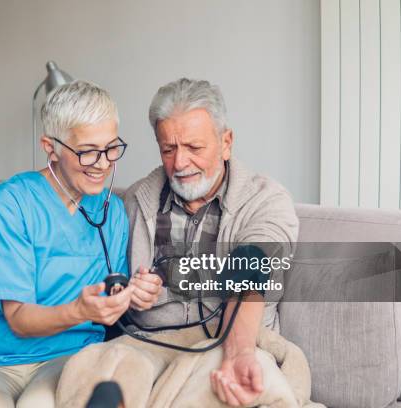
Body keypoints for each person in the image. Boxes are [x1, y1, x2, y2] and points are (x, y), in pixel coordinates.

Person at [59, 78, 299, 407]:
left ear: (226, 142)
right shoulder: (134, 201)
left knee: (243, 387)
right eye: (168, 149)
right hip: (146, 345)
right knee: (96, 372)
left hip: (227, 340)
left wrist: (238, 351)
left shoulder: (264, 200)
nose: (180, 163)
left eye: (194, 148)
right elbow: (101, 285)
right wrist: (129, 293)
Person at [0, 80, 157, 408]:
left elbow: (111, 296)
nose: (103, 164)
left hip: (69, 356)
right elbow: (17, 318)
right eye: (88, 151)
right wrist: (80, 310)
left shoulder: (112, 212)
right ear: (51, 147)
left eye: (111, 148)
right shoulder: (10, 204)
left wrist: (135, 294)